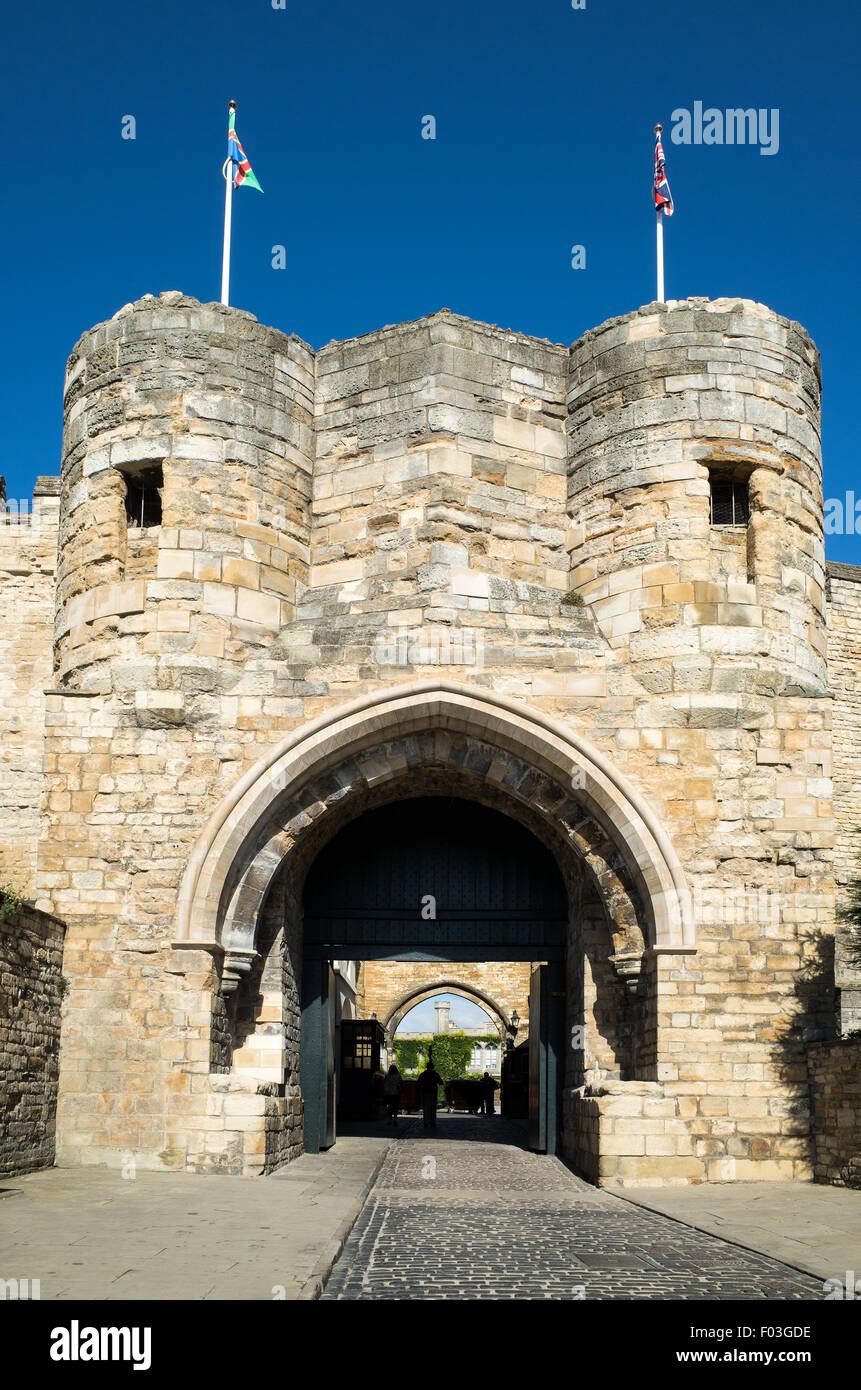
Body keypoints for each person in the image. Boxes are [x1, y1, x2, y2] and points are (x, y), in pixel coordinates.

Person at [417, 1060, 444, 1129]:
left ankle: (426, 1122)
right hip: (433, 1093)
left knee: (426, 1108)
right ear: (433, 1067)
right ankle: (432, 1122)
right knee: (433, 1108)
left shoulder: (423, 1074)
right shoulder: (435, 1074)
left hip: (425, 1092)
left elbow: (418, 1083)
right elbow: (441, 1082)